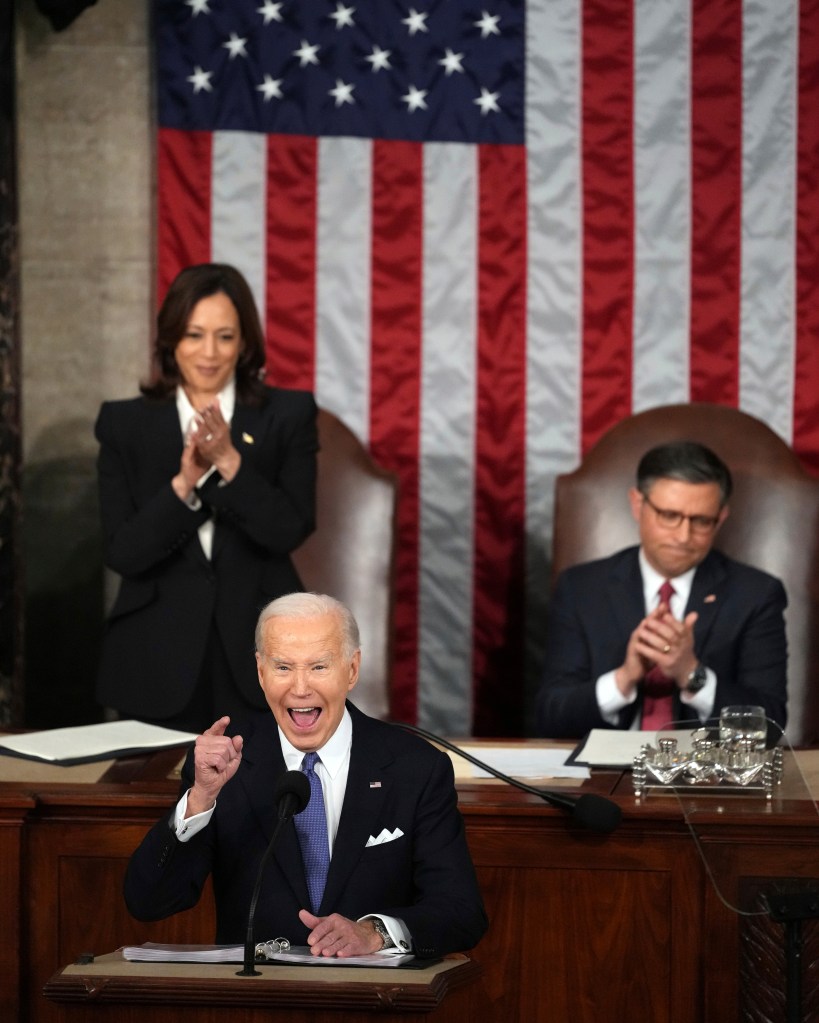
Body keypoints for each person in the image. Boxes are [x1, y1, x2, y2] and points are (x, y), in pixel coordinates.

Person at [124, 592, 488, 959]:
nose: (300, 688)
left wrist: (375, 933)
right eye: (283, 667)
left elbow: (461, 912)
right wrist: (201, 797)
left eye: (318, 667)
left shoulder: (415, 768)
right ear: (261, 672)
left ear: (352, 669)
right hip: (255, 1001)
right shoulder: (226, 764)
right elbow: (149, 902)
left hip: (373, 1002)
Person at [95, 264, 317, 732]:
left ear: (245, 343)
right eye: (195, 335)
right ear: (171, 339)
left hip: (263, 657)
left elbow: (289, 528)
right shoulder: (123, 424)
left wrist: (232, 464)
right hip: (154, 659)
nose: (210, 353)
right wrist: (183, 486)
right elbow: (124, 552)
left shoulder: (288, 414)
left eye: (225, 337)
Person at [536, 441, 788, 738]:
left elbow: (769, 726)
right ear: (637, 505)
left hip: (706, 778)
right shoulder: (581, 588)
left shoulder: (756, 594)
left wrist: (691, 675)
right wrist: (624, 679)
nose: (683, 536)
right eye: (669, 516)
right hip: (602, 777)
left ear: (720, 518)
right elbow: (550, 718)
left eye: (701, 521)